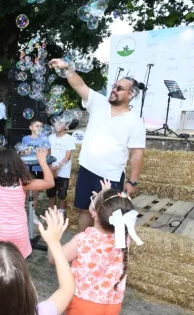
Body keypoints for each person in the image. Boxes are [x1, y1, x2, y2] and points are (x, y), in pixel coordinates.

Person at [48, 181, 142, 315]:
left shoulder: (83, 240)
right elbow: (118, 209)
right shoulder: (125, 236)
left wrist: (53, 239)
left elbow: (54, 258)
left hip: (84, 303)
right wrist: (105, 194)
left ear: (94, 213)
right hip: (111, 304)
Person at [49, 58, 146, 232]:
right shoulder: (99, 103)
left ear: (130, 95)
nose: (114, 90)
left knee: (107, 218)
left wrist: (133, 182)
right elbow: (80, 86)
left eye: (119, 88)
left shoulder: (135, 121)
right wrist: (67, 68)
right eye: (114, 86)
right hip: (87, 170)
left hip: (111, 176)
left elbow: (137, 153)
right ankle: (82, 248)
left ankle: (100, 253)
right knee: (84, 212)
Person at [0, 148, 54, 258]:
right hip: (19, 231)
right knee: (18, 261)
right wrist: (42, 161)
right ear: (18, 164)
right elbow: (50, 183)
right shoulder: (23, 183)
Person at [20, 120, 50, 212]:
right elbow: (21, 152)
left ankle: (33, 213)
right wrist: (24, 152)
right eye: (37, 126)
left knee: (35, 191)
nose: (39, 128)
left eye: (41, 126)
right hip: (27, 167)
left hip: (39, 167)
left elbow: (48, 152)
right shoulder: (25, 139)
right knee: (25, 189)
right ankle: (22, 210)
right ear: (31, 128)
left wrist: (43, 153)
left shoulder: (44, 138)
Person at [48, 121, 76, 215]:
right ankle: (51, 213)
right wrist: (51, 168)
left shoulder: (69, 138)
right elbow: (48, 153)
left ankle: (61, 213)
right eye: (56, 123)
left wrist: (57, 167)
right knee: (51, 193)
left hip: (63, 170)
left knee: (62, 194)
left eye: (60, 124)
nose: (57, 125)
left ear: (66, 126)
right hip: (51, 169)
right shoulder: (50, 137)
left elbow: (67, 156)